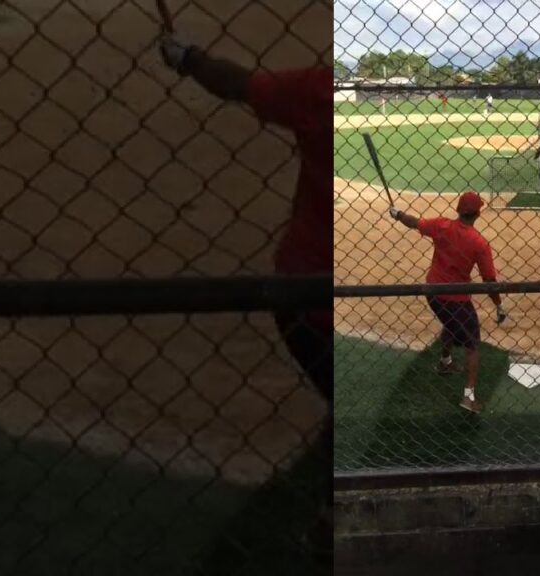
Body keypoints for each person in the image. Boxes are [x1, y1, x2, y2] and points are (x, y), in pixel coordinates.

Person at [158, 34, 330, 570]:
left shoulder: (320, 89)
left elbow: (237, 84)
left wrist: (186, 58)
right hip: (317, 303)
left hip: (300, 292)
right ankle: (331, 524)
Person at [388, 192, 508, 414]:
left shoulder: (442, 225)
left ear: (458, 210)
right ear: (478, 213)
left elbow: (415, 223)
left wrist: (398, 214)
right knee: (472, 345)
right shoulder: (479, 243)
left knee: (450, 322)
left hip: (433, 292)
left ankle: (445, 361)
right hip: (457, 298)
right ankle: (468, 397)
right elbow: (490, 280)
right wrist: (499, 305)